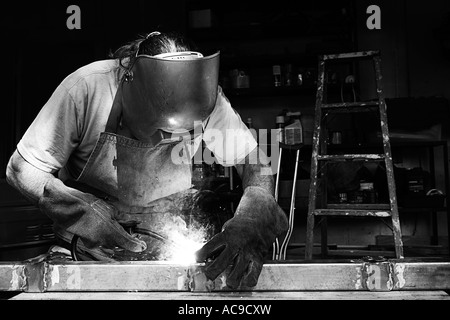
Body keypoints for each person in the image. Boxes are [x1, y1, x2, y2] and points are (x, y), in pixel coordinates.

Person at [6, 31, 288, 289]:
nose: (162, 141)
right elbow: (21, 169)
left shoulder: (205, 99)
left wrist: (255, 208)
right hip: (83, 250)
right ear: (129, 78)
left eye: (177, 134)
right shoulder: (86, 89)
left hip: (165, 246)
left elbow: (254, 160)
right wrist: (76, 209)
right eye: (156, 128)